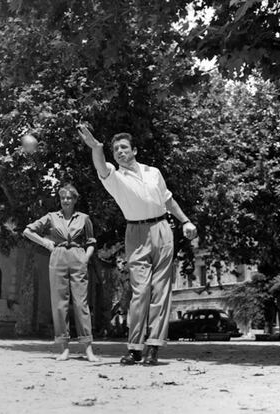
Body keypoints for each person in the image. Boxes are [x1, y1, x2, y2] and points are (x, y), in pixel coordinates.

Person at [78, 126, 197, 365]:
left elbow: (168, 200)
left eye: (124, 147)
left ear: (134, 150)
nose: (120, 152)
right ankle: (134, 348)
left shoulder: (154, 172)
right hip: (135, 233)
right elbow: (100, 165)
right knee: (140, 291)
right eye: (115, 149)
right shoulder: (114, 176)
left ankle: (153, 346)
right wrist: (96, 147)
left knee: (161, 291)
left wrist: (185, 221)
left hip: (163, 229)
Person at [23, 184, 99, 362]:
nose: (66, 200)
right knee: (59, 304)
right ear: (60, 199)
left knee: (81, 303)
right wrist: (45, 243)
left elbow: (91, 241)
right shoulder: (51, 217)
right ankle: (63, 347)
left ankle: (88, 348)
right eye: (63, 197)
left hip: (78, 257)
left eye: (69, 197)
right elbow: (27, 231)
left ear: (75, 200)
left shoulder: (84, 218)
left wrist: (85, 259)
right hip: (57, 258)